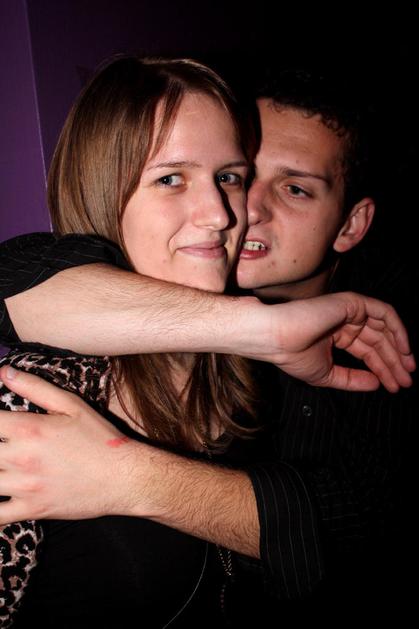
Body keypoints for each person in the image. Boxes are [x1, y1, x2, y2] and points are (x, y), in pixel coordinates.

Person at [0, 66, 416, 626]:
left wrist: (129, 477)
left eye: (228, 177)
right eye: (173, 178)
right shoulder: (40, 397)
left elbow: (361, 532)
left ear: (351, 224)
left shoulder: (373, 339)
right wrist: (263, 330)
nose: (233, 213)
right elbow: (13, 274)